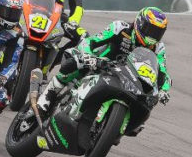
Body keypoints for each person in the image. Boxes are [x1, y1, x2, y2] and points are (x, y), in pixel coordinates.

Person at [37, 7, 171, 115]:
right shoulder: (120, 27)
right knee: (76, 62)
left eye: (157, 33)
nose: (152, 36)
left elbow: (163, 72)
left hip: (129, 78)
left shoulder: (158, 48)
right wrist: (88, 57)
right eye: (150, 30)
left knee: (145, 101)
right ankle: (51, 91)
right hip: (101, 63)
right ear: (139, 23)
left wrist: (164, 90)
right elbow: (92, 41)